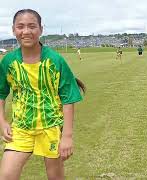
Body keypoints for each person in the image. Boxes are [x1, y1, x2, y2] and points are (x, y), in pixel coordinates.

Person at [0, 9, 85, 179]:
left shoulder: (55, 60)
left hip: (51, 128)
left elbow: (68, 99)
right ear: (13, 30)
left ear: (41, 29)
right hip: (21, 128)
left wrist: (67, 136)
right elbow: (1, 93)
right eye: (20, 26)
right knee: (7, 175)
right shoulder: (9, 61)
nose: (26, 31)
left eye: (32, 26)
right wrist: (2, 121)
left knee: (55, 177)